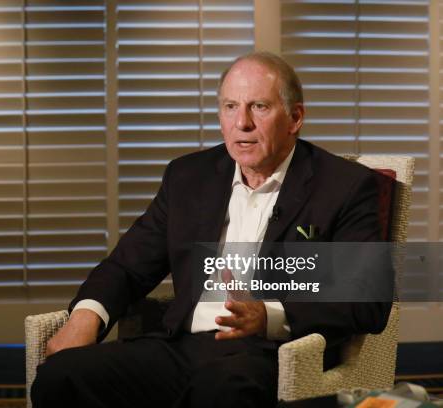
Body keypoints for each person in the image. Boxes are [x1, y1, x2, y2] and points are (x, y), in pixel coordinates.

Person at [31, 52, 392, 408]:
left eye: (260, 107)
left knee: (221, 391)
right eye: (230, 106)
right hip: (182, 346)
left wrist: (268, 315)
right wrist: (86, 316)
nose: (242, 123)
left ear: (295, 117)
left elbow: (366, 301)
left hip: (271, 353)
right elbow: (128, 265)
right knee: (61, 376)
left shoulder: (345, 187)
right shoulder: (189, 177)